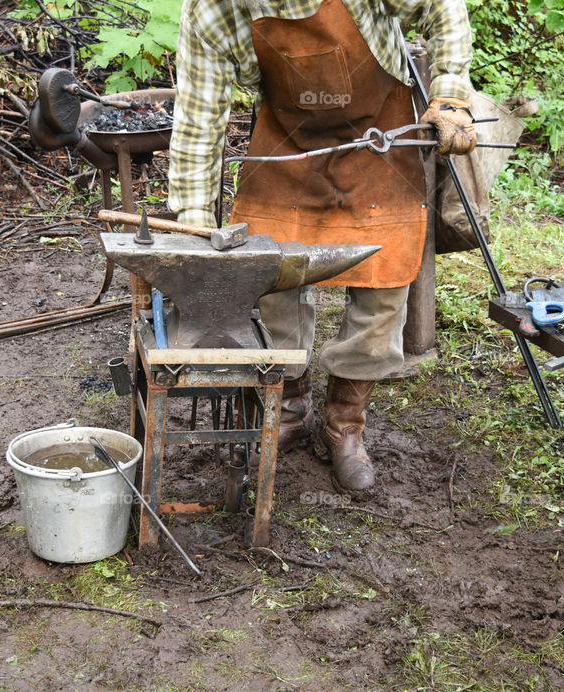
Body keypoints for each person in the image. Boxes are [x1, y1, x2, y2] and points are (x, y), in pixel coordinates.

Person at [168, 0, 476, 491]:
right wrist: (196, 223)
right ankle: (288, 405)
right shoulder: (212, 8)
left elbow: (443, 8)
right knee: (268, 275)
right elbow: (198, 120)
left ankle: (345, 424)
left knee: (384, 283)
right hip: (287, 147)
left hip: (381, 142)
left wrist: (452, 94)